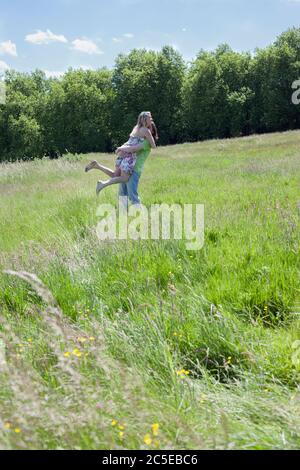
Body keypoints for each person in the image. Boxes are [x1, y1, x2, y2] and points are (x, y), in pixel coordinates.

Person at [85, 111, 157, 196]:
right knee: (124, 178)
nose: (151, 120)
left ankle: (97, 166)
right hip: (129, 155)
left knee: (115, 175)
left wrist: (121, 148)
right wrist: (149, 137)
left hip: (123, 153)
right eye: (150, 118)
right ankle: (103, 184)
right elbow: (153, 145)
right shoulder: (145, 130)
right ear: (145, 119)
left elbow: (130, 141)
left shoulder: (136, 128)